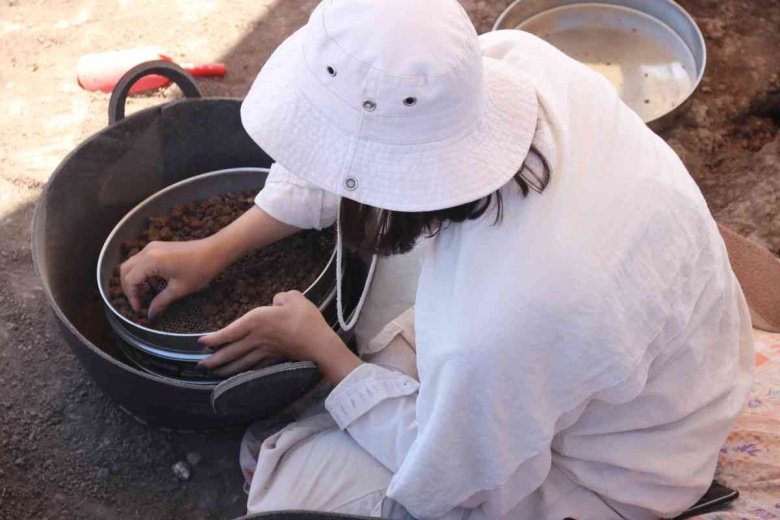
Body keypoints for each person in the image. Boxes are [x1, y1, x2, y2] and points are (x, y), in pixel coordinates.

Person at [119, 0, 754, 518]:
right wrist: (214, 249)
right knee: (377, 337)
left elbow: (452, 477)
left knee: (291, 485)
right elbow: (351, 160)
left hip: (613, 470)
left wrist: (324, 351)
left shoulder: (502, 322)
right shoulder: (510, 63)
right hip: (635, 347)